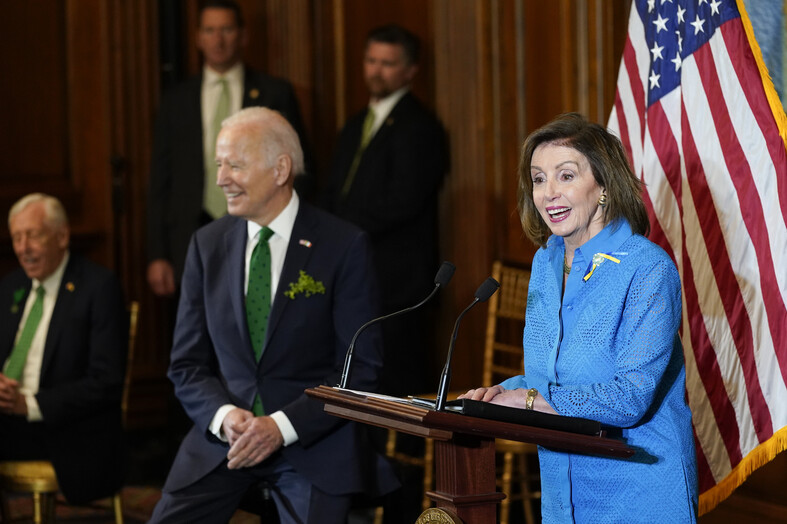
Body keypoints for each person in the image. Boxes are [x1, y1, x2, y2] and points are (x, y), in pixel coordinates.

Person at [149, 107, 398, 524]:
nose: (220, 179)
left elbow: (359, 372)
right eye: (219, 165)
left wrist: (280, 426)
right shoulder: (206, 246)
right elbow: (186, 365)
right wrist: (225, 417)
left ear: (281, 168)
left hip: (313, 442)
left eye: (235, 165)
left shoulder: (343, 245)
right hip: (225, 441)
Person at [460, 113, 698, 522]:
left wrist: (531, 399)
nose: (548, 192)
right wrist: (503, 392)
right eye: (538, 179)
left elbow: (629, 397)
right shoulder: (546, 260)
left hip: (638, 492)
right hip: (559, 488)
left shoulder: (649, 270)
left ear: (603, 185)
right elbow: (555, 374)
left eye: (565, 176)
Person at [147, 0, 310, 298]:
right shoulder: (176, 99)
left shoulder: (275, 93)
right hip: (187, 237)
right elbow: (161, 178)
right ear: (198, 37)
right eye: (209, 30)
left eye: (226, 29)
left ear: (242, 36)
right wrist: (158, 253)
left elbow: (297, 170)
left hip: (260, 230)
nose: (218, 39)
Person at [325, 24, 448, 397]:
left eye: (388, 63)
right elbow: (335, 189)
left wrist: (337, 230)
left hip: (396, 279)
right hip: (354, 268)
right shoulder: (356, 123)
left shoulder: (420, 126)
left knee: (395, 377)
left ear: (410, 70)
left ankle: (400, 455)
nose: (376, 71)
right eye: (371, 60)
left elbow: (403, 201)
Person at [0, 193, 128, 504]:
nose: (23, 248)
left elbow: (106, 382)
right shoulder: (10, 287)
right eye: (17, 238)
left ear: (62, 235)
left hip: (68, 428)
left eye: (33, 235)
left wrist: (28, 405)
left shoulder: (98, 287)